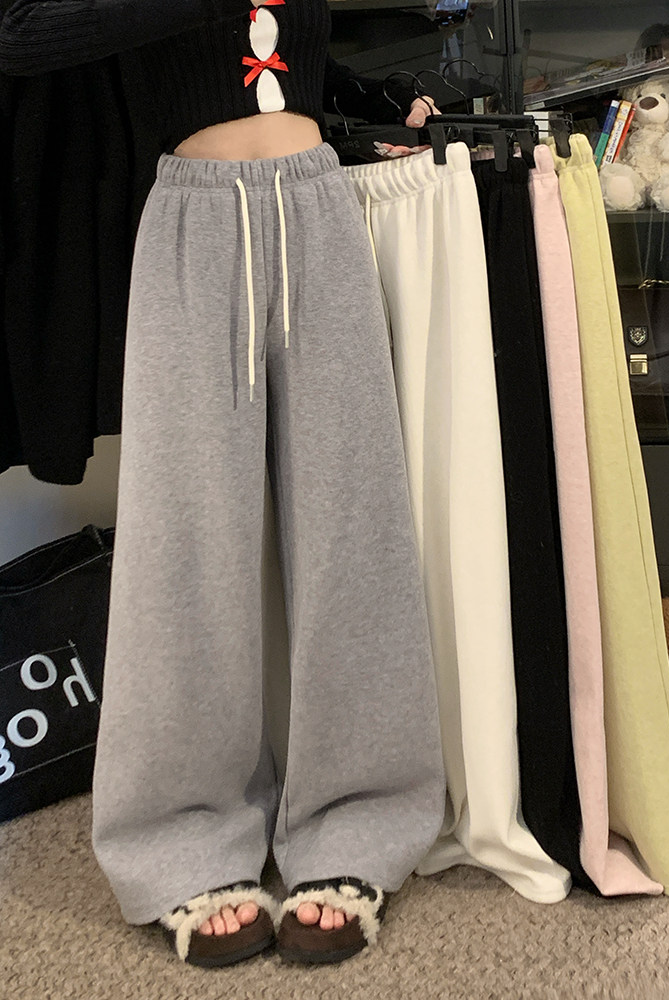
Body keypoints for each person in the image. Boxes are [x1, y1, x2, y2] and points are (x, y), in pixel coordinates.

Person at [0, 0, 446, 968]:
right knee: (183, 550)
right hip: (191, 220)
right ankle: (179, 841)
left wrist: (376, 99)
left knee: (355, 530)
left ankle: (361, 821)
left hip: (318, 204)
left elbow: (285, 45)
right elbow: (22, 34)